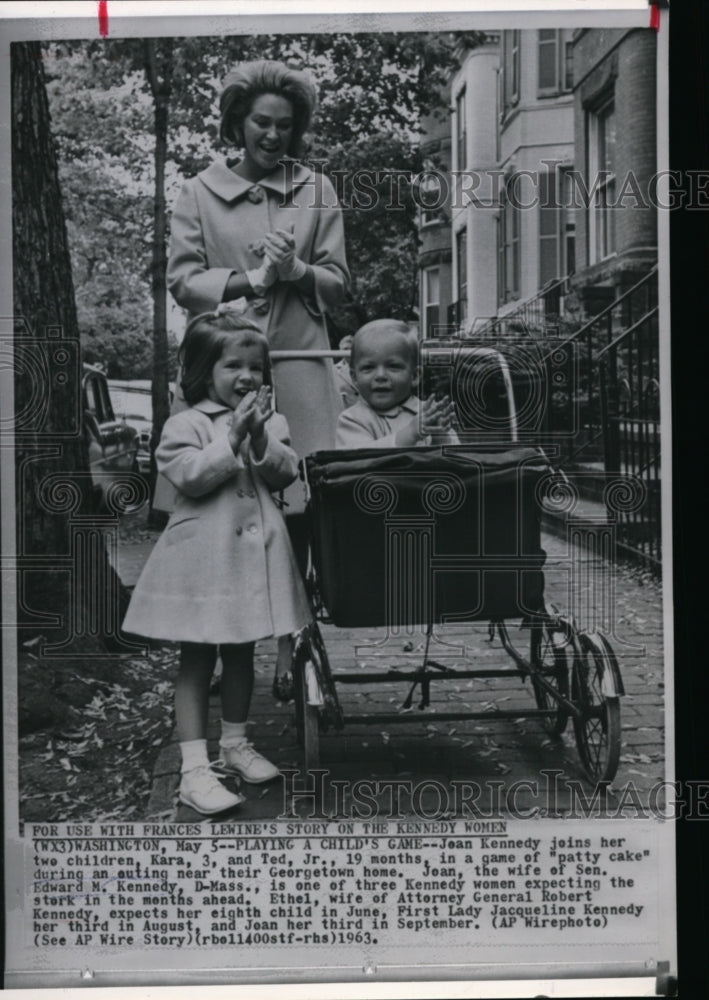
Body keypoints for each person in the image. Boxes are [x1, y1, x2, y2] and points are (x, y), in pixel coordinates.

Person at [164, 58, 349, 682]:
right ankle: (220, 636)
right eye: (261, 123)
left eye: (286, 126)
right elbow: (183, 282)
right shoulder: (197, 193)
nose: (273, 137)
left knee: (293, 504)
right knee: (220, 498)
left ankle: (287, 645)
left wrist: (297, 273)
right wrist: (248, 280)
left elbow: (340, 287)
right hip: (223, 370)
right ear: (238, 123)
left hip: (297, 367)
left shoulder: (317, 191)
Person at [123, 310, 311, 815]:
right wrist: (230, 441)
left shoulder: (274, 422)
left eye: (256, 367)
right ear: (206, 370)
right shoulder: (184, 423)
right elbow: (189, 476)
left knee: (243, 652)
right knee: (197, 658)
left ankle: (234, 742)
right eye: (233, 366)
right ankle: (193, 768)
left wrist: (258, 439)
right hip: (203, 562)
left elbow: (285, 474)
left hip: (254, 559)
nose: (247, 377)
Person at [336, 319, 459, 448]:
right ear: (354, 377)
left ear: (415, 376)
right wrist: (410, 434)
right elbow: (360, 460)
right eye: (369, 367)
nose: (380, 376)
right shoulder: (352, 420)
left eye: (393, 366)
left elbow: (457, 460)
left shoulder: (428, 413)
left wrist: (440, 436)